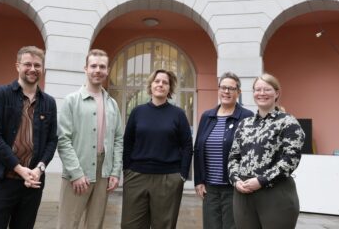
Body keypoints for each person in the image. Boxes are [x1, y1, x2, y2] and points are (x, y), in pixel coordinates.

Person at [0, 46, 58, 229]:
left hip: (33, 183)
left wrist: (39, 169)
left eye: (37, 65)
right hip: (2, 180)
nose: (33, 69)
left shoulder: (49, 102)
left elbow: (52, 140)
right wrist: (19, 169)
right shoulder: (1, 94)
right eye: (28, 64)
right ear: (17, 66)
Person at [228, 73, 305, 229]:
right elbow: (233, 157)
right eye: (258, 89)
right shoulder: (244, 124)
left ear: (276, 93)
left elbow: (291, 159)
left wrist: (261, 180)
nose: (261, 93)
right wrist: (235, 180)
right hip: (244, 194)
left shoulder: (288, 122)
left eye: (267, 89)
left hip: (275, 193)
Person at [57, 49, 123, 229]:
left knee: (95, 225)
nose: (97, 70)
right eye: (93, 66)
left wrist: (115, 172)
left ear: (107, 70)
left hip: (104, 172)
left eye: (102, 66)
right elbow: (63, 140)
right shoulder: (72, 100)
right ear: (85, 68)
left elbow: (118, 139)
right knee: (68, 224)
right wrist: (76, 173)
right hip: (77, 170)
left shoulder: (112, 103)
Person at [121, 69, 193, 229]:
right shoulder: (137, 112)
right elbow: (128, 142)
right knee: (130, 225)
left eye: (165, 82)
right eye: (157, 81)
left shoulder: (178, 114)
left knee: (164, 226)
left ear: (170, 88)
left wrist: (181, 176)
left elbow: (187, 145)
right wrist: (126, 170)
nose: (160, 84)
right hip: (136, 176)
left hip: (168, 179)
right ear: (151, 85)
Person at [194, 72, 253, 229]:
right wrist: (199, 180)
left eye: (231, 88)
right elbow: (198, 149)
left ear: (238, 92)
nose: (226, 91)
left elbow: (250, 152)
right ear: (218, 90)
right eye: (223, 87)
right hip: (210, 187)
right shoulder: (207, 116)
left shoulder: (246, 116)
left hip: (234, 187)